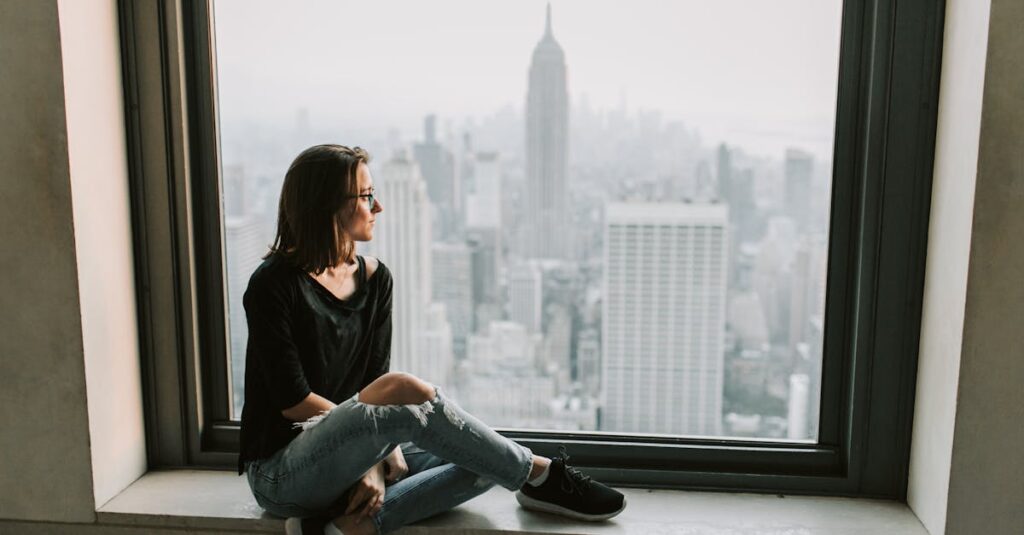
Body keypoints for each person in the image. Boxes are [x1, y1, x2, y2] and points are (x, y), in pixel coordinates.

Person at [239, 144, 626, 535]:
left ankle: (338, 528)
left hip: (354, 448)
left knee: (483, 459)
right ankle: (541, 474)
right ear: (326, 205)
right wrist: (370, 460)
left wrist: (370, 454)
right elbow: (295, 403)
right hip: (283, 472)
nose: (378, 208)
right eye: (366, 196)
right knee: (403, 389)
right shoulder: (273, 285)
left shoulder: (375, 280)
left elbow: (368, 384)